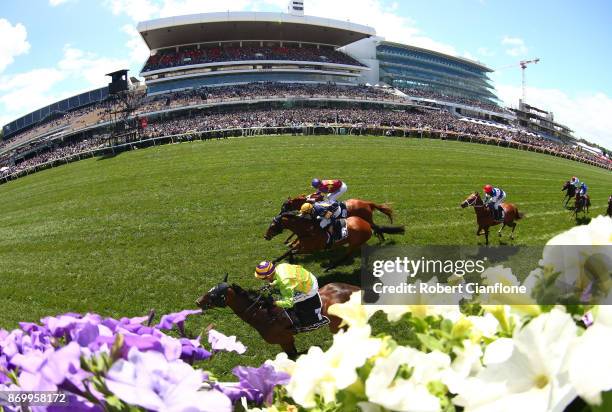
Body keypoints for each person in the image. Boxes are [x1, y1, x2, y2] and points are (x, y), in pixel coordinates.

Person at [254, 261, 328, 331]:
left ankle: (312, 321)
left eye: (263, 278)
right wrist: (272, 284)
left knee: (283, 299)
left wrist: (274, 303)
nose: (262, 280)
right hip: (308, 277)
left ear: (269, 276)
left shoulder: (285, 283)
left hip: (310, 288)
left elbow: (289, 303)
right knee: (281, 293)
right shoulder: (280, 266)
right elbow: (281, 278)